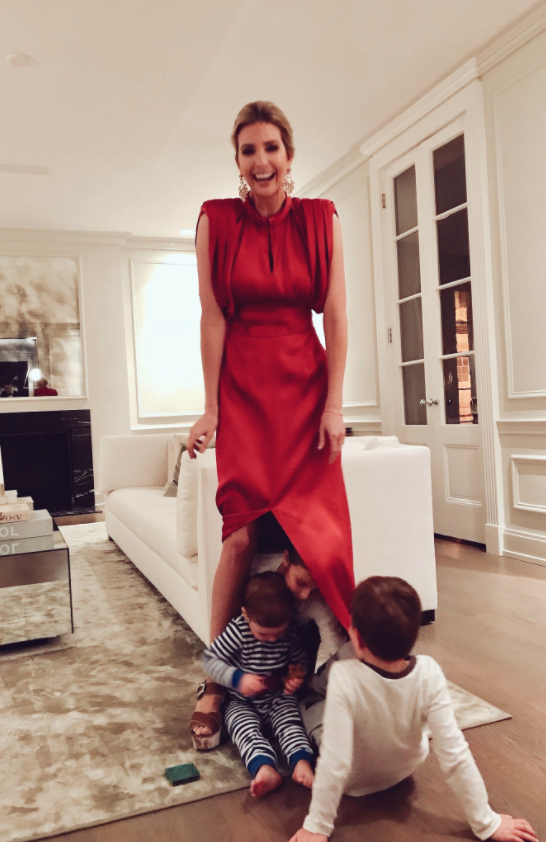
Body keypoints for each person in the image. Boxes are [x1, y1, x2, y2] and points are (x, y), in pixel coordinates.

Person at [187, 100, 355, 749]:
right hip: (245, 391)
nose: (261, 162)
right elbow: (212, 317)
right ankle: (213, 679)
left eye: (271, 149)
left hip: (305, 388)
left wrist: (335, 405)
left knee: (324, 539)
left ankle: (342, 668)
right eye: (248, 151)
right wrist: (212, 406)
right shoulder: (215, 219)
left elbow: (336, 317)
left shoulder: (321, 217)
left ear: (289, 158)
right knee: (237, 536)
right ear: (238, 162)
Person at [288, 577, 540, 842]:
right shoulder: (429, 672)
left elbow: (335, 761)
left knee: (308, 701)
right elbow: (455, 753)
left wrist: (317, 826)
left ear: (357, 638)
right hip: (404, 768)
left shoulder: (343, 676)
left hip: (354, 782)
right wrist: (486, 822)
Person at [202, 572, 315, 797]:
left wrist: (296, 674)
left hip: (278, 697)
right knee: (241, 728)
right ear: (246, 615)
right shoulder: (238, 631)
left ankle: (301, 761)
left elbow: (299, 659)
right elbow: (209, 659)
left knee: (292, 723)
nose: (273, 639)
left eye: (278, 633)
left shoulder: (290, 631)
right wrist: (238, 679)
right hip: (243, 701)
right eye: (264, 634)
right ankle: (265, 768)